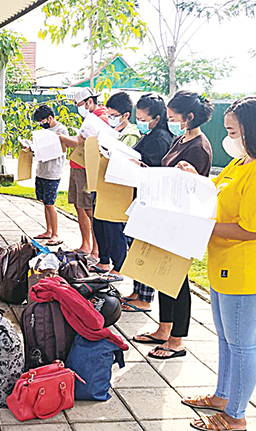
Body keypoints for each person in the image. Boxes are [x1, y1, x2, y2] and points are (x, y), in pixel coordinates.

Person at [180, 96, 256, 431]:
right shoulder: (240, 164)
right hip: (224, 266)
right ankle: (222, 396)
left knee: (242, 346)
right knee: (227, 340)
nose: (228, 137)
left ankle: (235, 416)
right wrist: (192, 179)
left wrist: (202, 227)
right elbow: (215, 191)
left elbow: (251, 229)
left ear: (252, 131)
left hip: (246, 271)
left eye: (232, 131)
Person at [131, 91, 214, 360]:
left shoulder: (199, 146)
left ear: (189, 117)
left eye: (173, 116)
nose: (170, 121)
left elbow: (196, 186)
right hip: (167, 217)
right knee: (164, 277)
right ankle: (163, 329)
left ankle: (177, 340)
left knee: (177, 280)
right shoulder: (182, 138)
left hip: (183, 221)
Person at [121, 93, 173, 313]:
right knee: (135, 246)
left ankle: (145, 297)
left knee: (145, 249)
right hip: (141, 198)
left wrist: (136, 165)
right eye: (138, 118)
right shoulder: (152, 134)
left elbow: (156, 170)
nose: (140, 122)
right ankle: (137, 290)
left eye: (143, 119)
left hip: (151, 201)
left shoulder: (161, 137)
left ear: (157, 118)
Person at [92, 92, 141, 275]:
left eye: (114, 116)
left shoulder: (131, 134)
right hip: (104, 183)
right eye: (109, 115)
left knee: (114, 229)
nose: (110, 119)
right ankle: (104, 260)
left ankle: (119, 267)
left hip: (118, 189)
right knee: (99, 224)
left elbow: (126, 158)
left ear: (126, 115)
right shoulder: (111, 131)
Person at [58, 87, 109, 262]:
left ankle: (96, 250)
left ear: (89, 101)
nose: (80, 108)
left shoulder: (100, 117)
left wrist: (62, 139)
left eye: (80, 104)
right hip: (78, 165)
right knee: (80, 207)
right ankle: (86, 245)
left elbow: (81, 142)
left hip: (87, 169)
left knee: (90, 209)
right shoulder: (90, 117)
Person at [31, 105, 68, 246]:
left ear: (50, 118)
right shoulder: (42, 131)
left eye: (42, 121)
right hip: (42, 170)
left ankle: (55, 234)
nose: (41, 124)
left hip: (53, 172)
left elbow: (60, 150)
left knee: (50, 203)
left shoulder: (61, 130)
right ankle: (48, 230)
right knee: (45, 203)